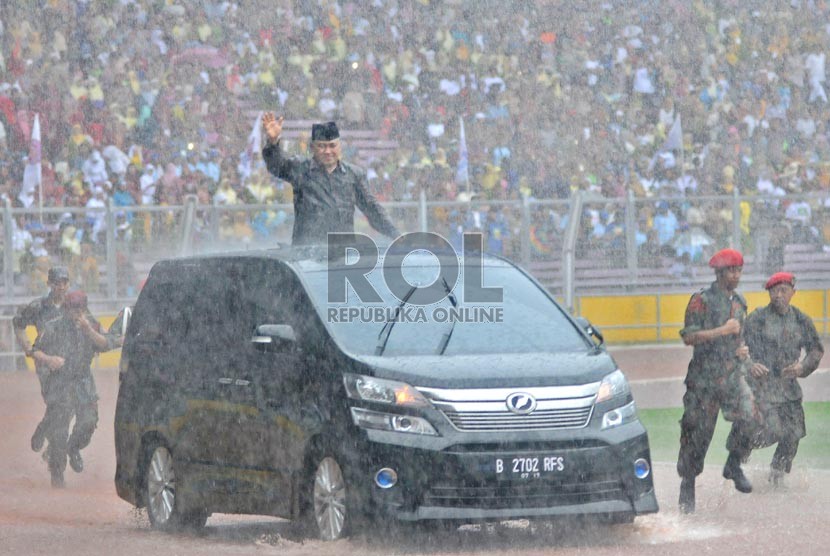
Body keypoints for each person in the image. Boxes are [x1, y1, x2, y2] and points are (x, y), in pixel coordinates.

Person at [677, 248, 759, 513]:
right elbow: (689, 337)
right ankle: (687, 486)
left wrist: (742, 351)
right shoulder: (701, 300)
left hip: (731, 374)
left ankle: (733, 463)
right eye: (732, 270)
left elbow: (739, 338)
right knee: (697, 433)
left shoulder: (740, 302)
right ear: (720, 272)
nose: (736, 275)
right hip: (704, 378)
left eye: (739, 270)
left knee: (752, 417)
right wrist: (722, 331)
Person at [261, 114, 400, 245]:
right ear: (312, 148)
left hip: (341, 254)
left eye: (332, 146)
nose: (328, 151)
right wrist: (273, 143)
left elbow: (371, 209)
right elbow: (276, 166)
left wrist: (396, 235)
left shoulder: (354, 175)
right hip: (307, 253)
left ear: (340, 147)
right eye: (321, 146)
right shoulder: (300, 169)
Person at [742, 272, 824, 486]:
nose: (778, 295)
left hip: (788, 387)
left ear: (792, 293)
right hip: (763, 387)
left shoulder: (800, 319)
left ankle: (777, 476)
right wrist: (750, 365)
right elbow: (738, 346)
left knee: (794, 433)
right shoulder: (758, 318)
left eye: (783, 290)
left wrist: (802, 366)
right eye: (773, 291)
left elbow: (815, 349)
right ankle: (741, 445)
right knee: (772, 429)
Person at [30, 291, 109, 488]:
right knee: (58, 431)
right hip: (60, 382)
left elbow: (106, 344)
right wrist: (50, 360)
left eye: (81, 309)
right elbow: (34, 350)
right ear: (65, 309)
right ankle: (57, 475)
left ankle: (73, 447)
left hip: (83, 382)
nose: (77, 314)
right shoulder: (54, 326)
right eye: (73, 309)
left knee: (89, 421)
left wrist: (88, 330)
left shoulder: (92, 325)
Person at [13, 266, 71, 453]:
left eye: (64, 283)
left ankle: (45, 433)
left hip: (68, 363)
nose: (60, 287)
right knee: (57, 403)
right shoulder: (38, 307)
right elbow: (18, 324)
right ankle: (53, 448)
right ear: (49, 284)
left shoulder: (73, 305)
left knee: (69, 406)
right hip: (46, 363)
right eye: (56, 283)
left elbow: (89, 327)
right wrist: (30, 350)